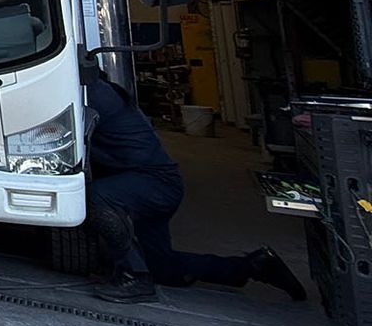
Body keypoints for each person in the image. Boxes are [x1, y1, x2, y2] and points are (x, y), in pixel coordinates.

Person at [82, 68, 306, 303]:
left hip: (150, 184)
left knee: (98, 197)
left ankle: (133, 277)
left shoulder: (94, 96)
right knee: (162, 268)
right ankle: (255, 266)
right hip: (147, 183)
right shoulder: (99, 91)